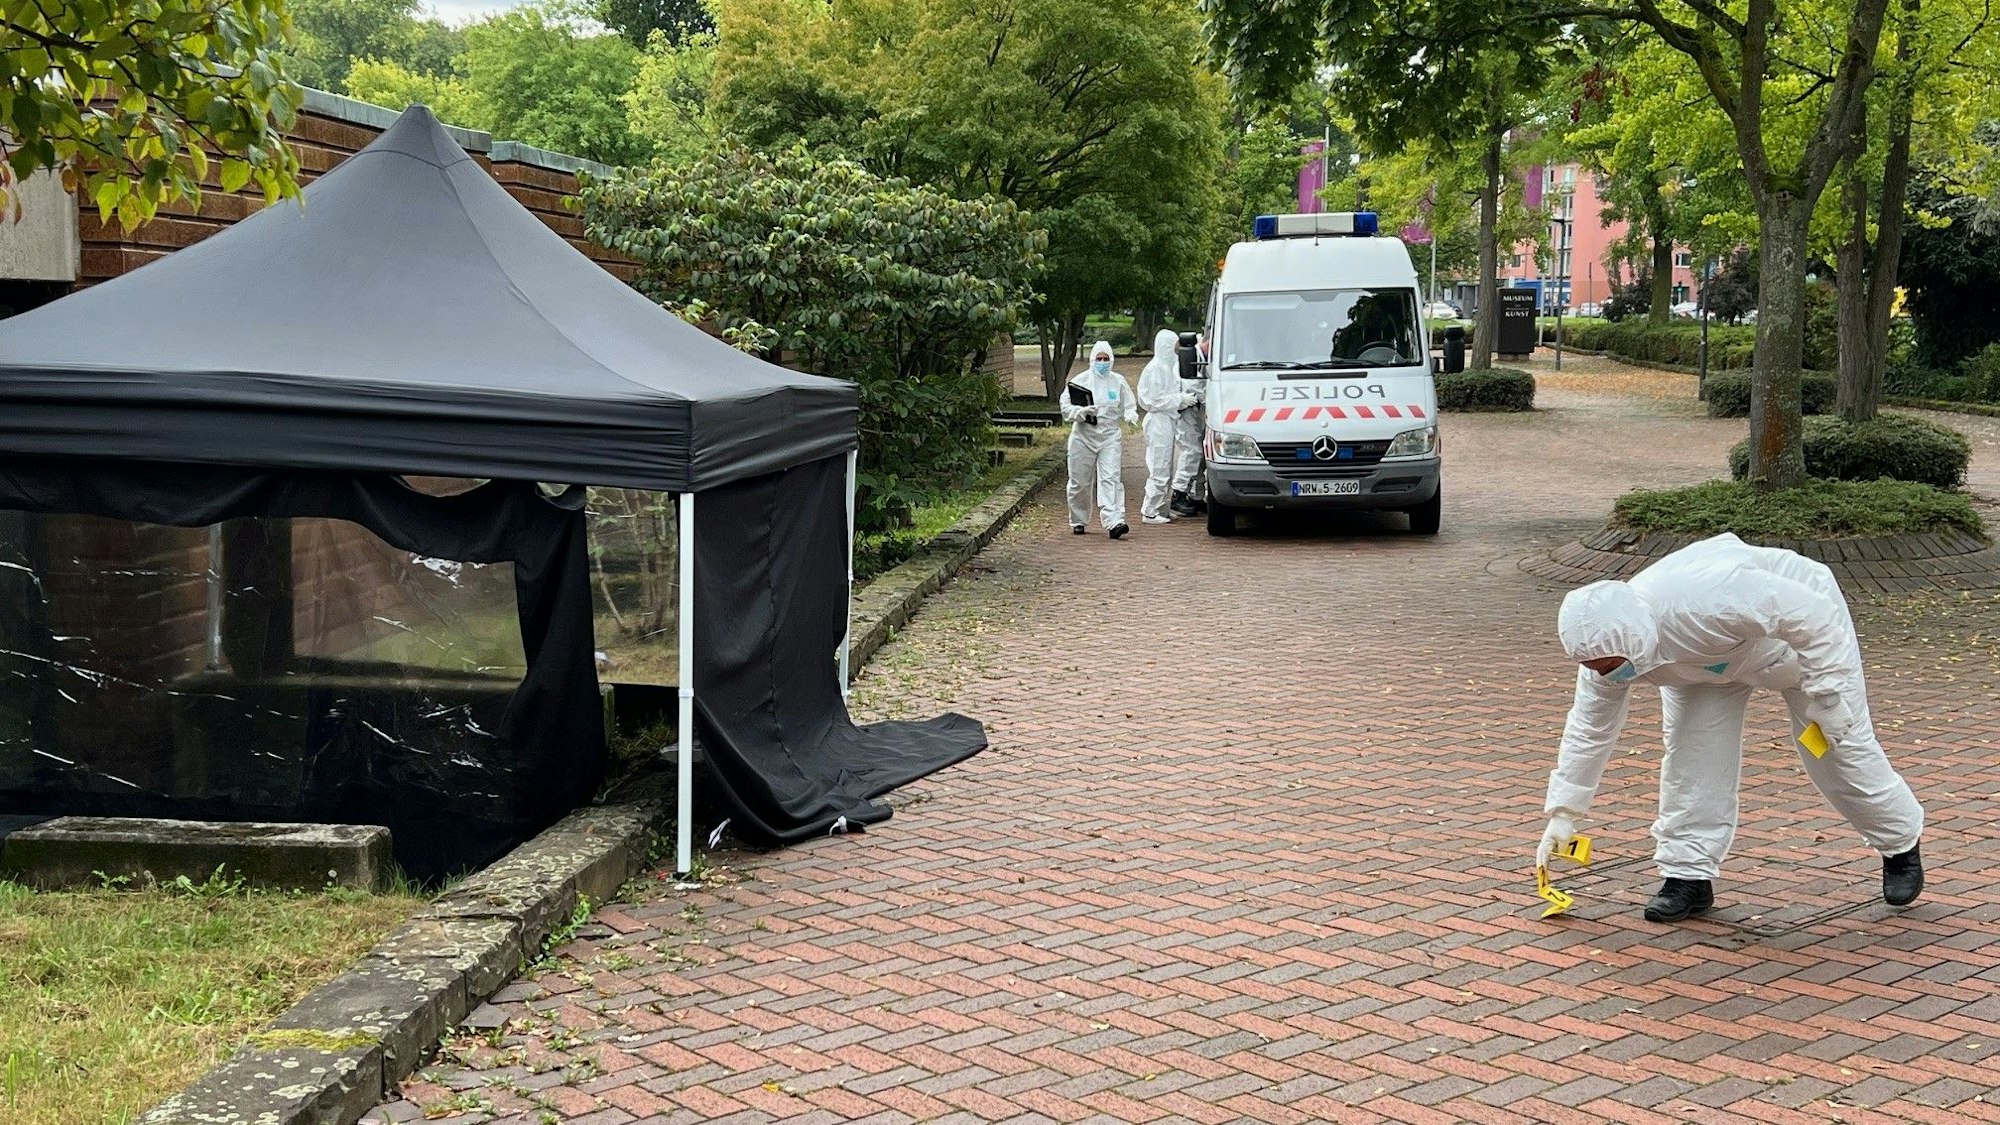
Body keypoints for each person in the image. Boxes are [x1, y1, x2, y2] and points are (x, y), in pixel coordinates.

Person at [1537, 532, 1925, 923]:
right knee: (1693, 757)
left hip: (1796, 648)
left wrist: (1828, 696)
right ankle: (1687, 875)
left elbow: (1814, 616)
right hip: (1702, 667)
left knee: (1834, 750)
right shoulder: (1602, 650)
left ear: (1630, 637)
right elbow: (1590, 728)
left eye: (1610, 665)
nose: (1606, 676)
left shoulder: (1707, 597)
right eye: (1595, 669)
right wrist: (1564, 811)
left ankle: (1899, 844)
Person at [1061, 340, 1137, 538]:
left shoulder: (1118, 381)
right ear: (1092, 360)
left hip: (1109, 436)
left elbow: (1129, 403)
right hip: (1083, 436)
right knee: (1079, 482)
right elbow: (1065, 407)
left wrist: (1130, 414)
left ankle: (1114, 521)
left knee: (1111, 478)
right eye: (1099, 359)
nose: (1102, 362)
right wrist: (1081, 412)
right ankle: (1078, 519)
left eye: (1106, 359)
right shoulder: (1080, 381)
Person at [1136, 328, 1198, 524]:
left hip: (1168, 420)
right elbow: (1155, 400)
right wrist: (1180, 400)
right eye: (1174, 347)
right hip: (1159, 421)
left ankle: (1161, 508)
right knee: (1159, 467)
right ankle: (1150, 511)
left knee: (1166, 467)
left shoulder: (1167, 368)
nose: (1177, 350)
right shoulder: (1156, 369)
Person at [1170, 333, 1207, 517]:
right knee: (1192, 451)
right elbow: (1189, 384)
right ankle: (1179, 493)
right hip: (1188, 411)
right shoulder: (1190, 357)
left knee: (1202, 454)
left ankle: (1196, 496)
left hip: (1200, 413)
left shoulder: (1205, 356)